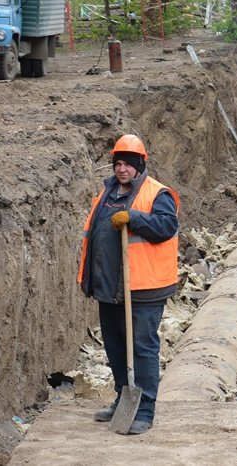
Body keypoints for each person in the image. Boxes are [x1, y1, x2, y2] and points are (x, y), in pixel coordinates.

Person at [78, 134, 180, 435]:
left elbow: (166, 226)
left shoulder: (156, 193)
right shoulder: (106, 192)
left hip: (144, 288)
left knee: (142, 349)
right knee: (115, 348)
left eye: (128, 164)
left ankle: (145, 411)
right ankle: (123, 400)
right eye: (118, 164)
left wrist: (134, 217)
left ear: (140, 165)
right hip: (110, 287)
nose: (122, 169)